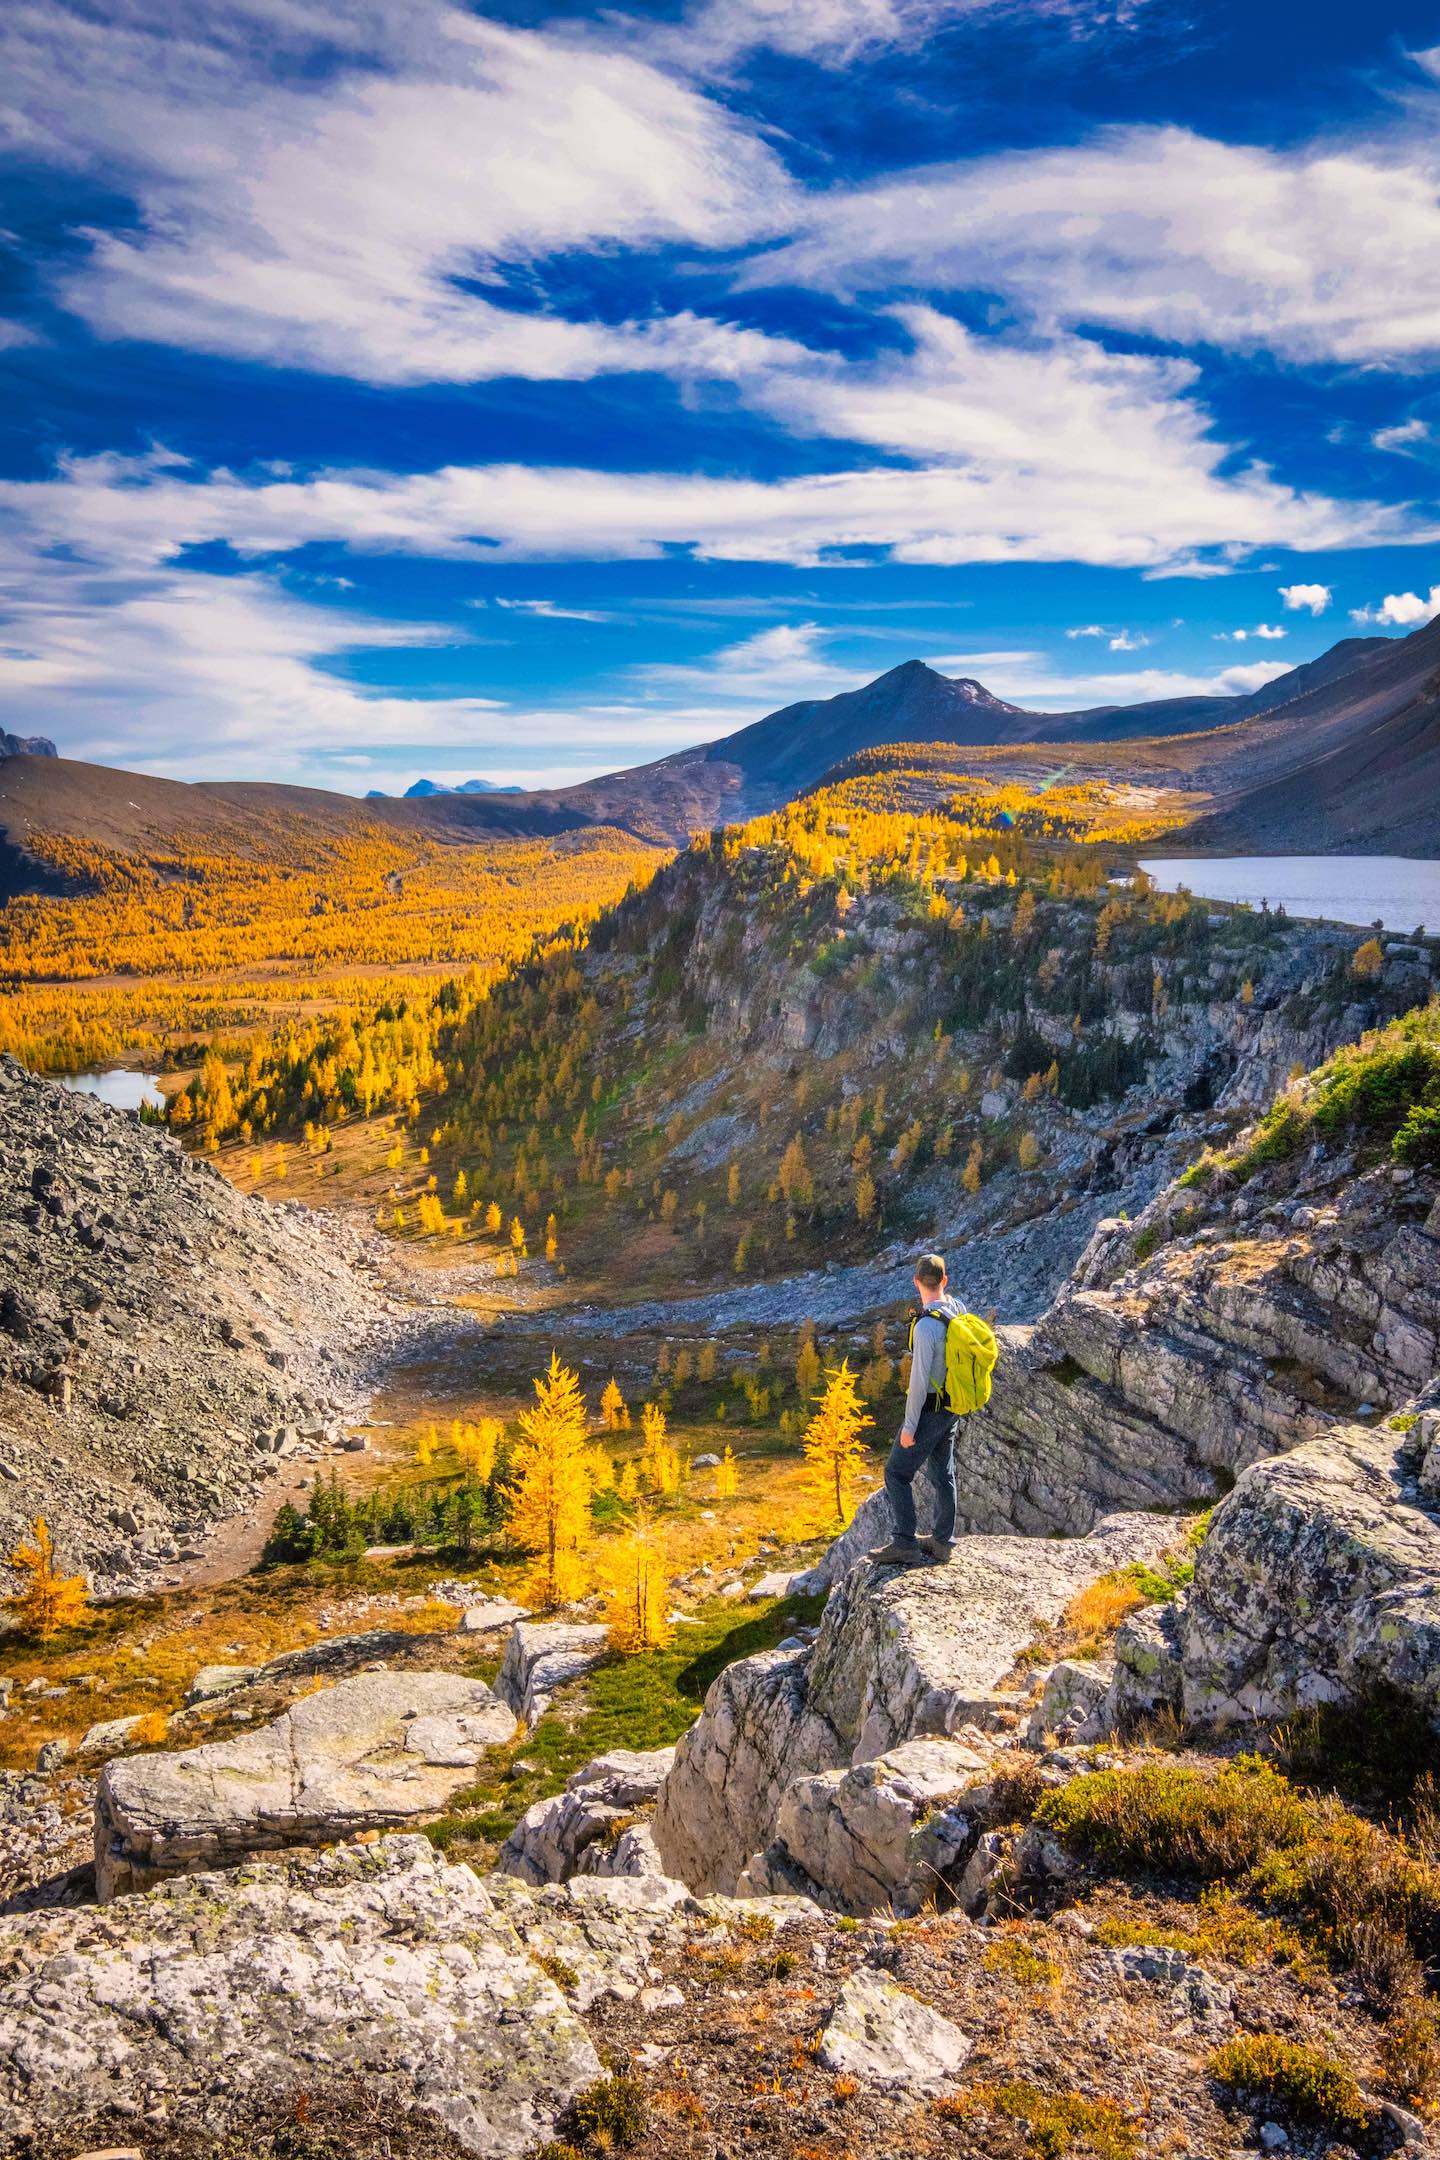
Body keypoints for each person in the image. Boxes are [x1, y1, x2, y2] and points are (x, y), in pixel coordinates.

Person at [868, 1252, 962, 1567]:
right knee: (942, 1472)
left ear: (916, 1282)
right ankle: (942, 1540)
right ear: (945, 1281)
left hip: (930, 1410)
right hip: (952, 1406)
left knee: (896, 1472)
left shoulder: (925, 1328)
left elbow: (919, 1383)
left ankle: (905, 1543)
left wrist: (910, 1426)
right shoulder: (957, 1310)